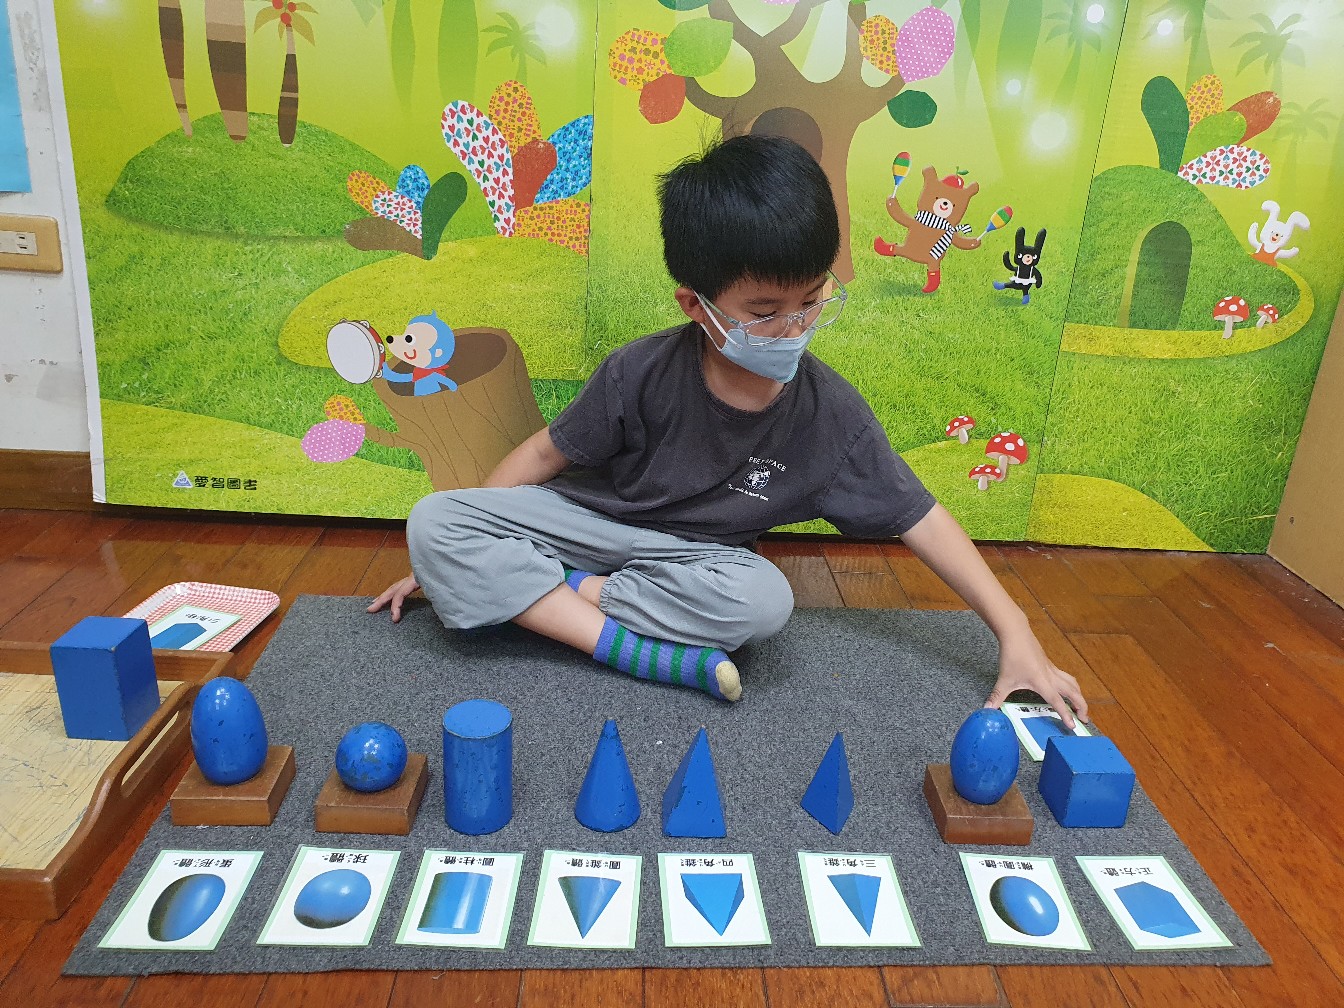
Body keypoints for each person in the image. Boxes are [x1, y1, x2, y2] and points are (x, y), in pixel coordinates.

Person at [369, 133, 1088, 728]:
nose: (794, 327)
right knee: (434, 519)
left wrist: (1015, 631)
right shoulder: (638, 371)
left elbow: (921, 518)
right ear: (696, 305)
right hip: (588, 526)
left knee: (765, 602)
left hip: (697, 564)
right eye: (765, 311)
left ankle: (556, 596)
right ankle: (631, 644)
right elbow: (542, 453)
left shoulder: (829, 415)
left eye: (812, 300)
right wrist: (460, 541)